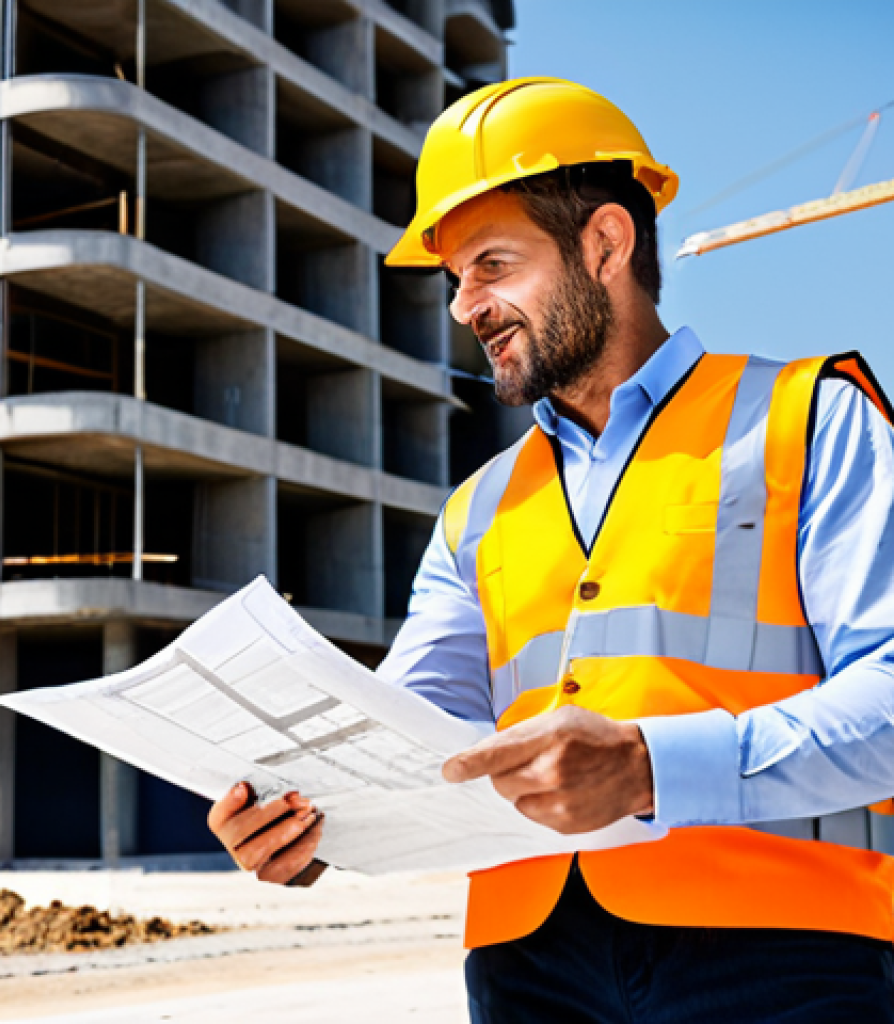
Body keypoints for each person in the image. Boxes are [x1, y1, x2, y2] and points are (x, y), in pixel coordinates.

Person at [208, 78, 894, 1021]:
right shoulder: (477, 510)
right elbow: (416, 729)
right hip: (529, 967)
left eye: (492, 266)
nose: (465, 307)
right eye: (455, 281)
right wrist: (312, 819)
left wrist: (650, 765)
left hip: (785, 951)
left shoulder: (810, 422)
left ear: (605, 243)